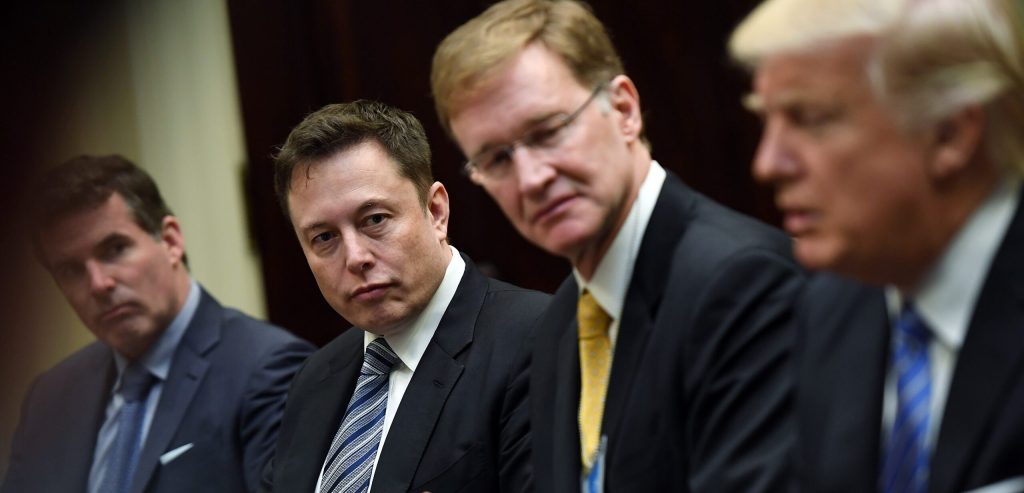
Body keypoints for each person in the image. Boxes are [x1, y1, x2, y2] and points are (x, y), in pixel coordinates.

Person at [431, 1, 805, 491]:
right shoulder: (561, 322)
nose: (532, 179)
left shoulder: (743, 281)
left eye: (548, 132)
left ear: (624, 110)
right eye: (497, 158)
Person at [730, 0, 1024, 491]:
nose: (768, 163)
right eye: (768, 119)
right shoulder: (831, 310)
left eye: (810, 118)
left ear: (949, 133)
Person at [262, 100, 549, 493]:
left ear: (436, 212)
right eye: (324, 238)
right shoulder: (315, 378)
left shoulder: (540, 337)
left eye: (375, 220)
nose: (356, 258)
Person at [2, 155, 315, 493]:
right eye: (71, 270)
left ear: (170, 241)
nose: (98, 284)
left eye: (115, 249)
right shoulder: (51, 397)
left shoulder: (271, 368)